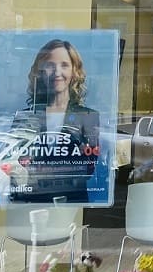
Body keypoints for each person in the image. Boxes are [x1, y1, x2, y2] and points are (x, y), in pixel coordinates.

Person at [11, 39, 100, 204]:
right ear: (40, 71)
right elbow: (15, 164)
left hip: (72, 202)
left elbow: (87, 170)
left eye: (64, 65)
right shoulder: (24, 117)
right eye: (50, 65)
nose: (57, 72)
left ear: (75, 71)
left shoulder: (88, 117)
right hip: (32, 201)